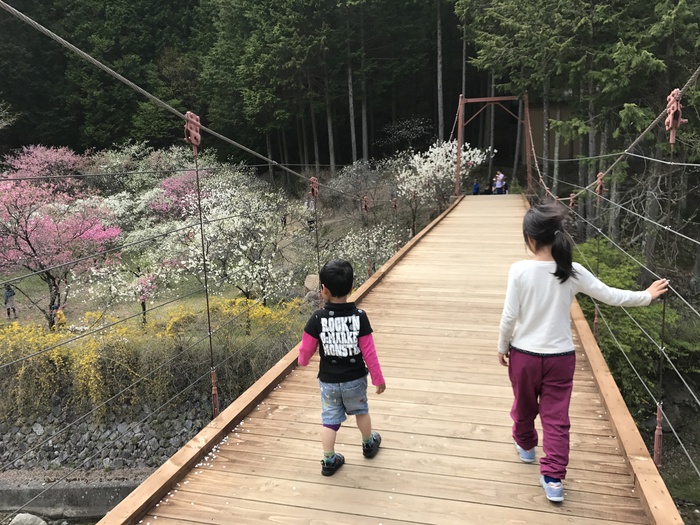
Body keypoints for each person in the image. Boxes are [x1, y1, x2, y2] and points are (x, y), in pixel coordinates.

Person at [497, 202, 669, 503]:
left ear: (530, 238)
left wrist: (502, 347)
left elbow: (509, 317)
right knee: (556, 417)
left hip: (523, 355)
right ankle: (553, 479)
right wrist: (647, 296)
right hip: (560, 359)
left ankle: (525, 447)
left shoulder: (519, 271)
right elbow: (611, 295)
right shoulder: (571, 271)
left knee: (523, 404)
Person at [298, 259, 386, 476]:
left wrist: (303, 361)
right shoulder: (359, 317)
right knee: (361, 412)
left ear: (324, 290)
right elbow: (369, 352)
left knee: (329, 421)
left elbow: (306, 348)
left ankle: (328, 460)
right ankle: (368, 443)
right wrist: (378, 379)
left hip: (328, 382)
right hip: (355, 380)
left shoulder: (317, 318)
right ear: (351, 287)